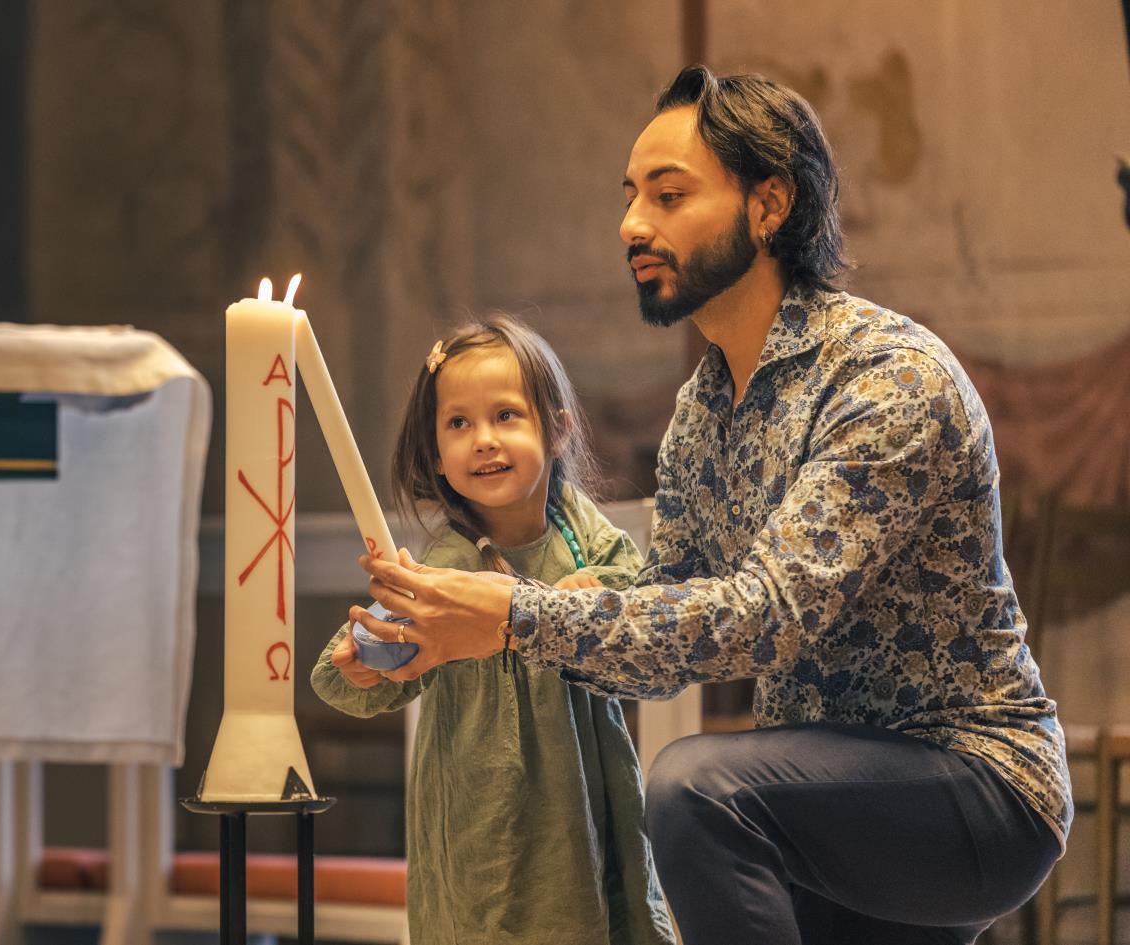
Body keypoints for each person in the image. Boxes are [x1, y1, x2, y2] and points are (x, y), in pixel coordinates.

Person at [348, 65, 1070, 945]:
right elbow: (664, 645)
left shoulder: (885, 378)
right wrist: (511, 614)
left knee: (695, 787)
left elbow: (769, 615)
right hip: (819, 802)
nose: (631, 224)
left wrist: (518, 617)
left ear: (769, 206)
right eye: (629, 196)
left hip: (978, 782)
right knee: (709, 800)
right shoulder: (701, 412)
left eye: (669, 193)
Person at [311, 313, 676, 945]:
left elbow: (647, 601)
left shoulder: (577, 528)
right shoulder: (449, 564)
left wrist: (596, 595)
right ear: (437, 457)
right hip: (485, 811)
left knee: (593, 909)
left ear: (556, 429)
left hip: (582, 797)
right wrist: (365, 661)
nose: (483, 439)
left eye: (506, 415)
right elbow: (358, 674)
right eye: (459, 423)